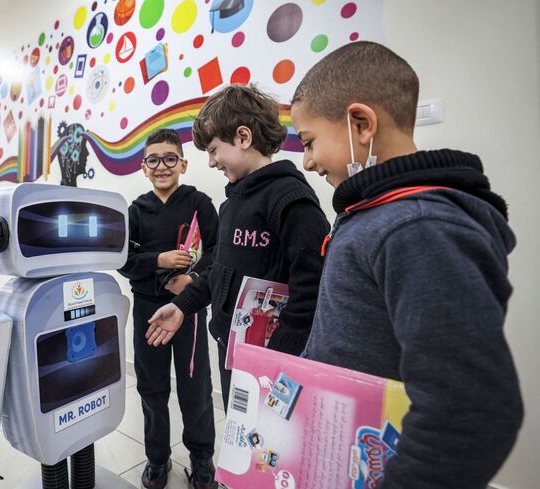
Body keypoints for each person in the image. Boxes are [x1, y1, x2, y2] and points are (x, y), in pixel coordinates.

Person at [290, 40, 523, 489]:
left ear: (361, 123)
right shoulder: (376, 216)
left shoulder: (417, 229)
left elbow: (472, 411)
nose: (309, 160)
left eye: (310, 141)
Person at [145, 84, 330, 410]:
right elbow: (220, 271)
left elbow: (313, 289)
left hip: (273, 361)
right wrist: (183, 306)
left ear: (243, 137)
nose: (213, 162)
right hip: (233, 348)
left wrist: (276, 358)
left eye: (214, 150)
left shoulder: (290, 200)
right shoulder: (232, 204)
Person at [118, 129, 218, 489]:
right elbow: (123, 260)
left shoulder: (200, 203)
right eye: (153, 160)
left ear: (183, 163)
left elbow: (218, 255)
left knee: (195, 387)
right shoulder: (135, 211)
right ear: (144, 168)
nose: (162, 166)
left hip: (189, 311)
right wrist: (159, 260)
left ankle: (202, 458)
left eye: (170, 158)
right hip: (148, 310)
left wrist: (192, 283)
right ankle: (157, 459)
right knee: (152, 387)